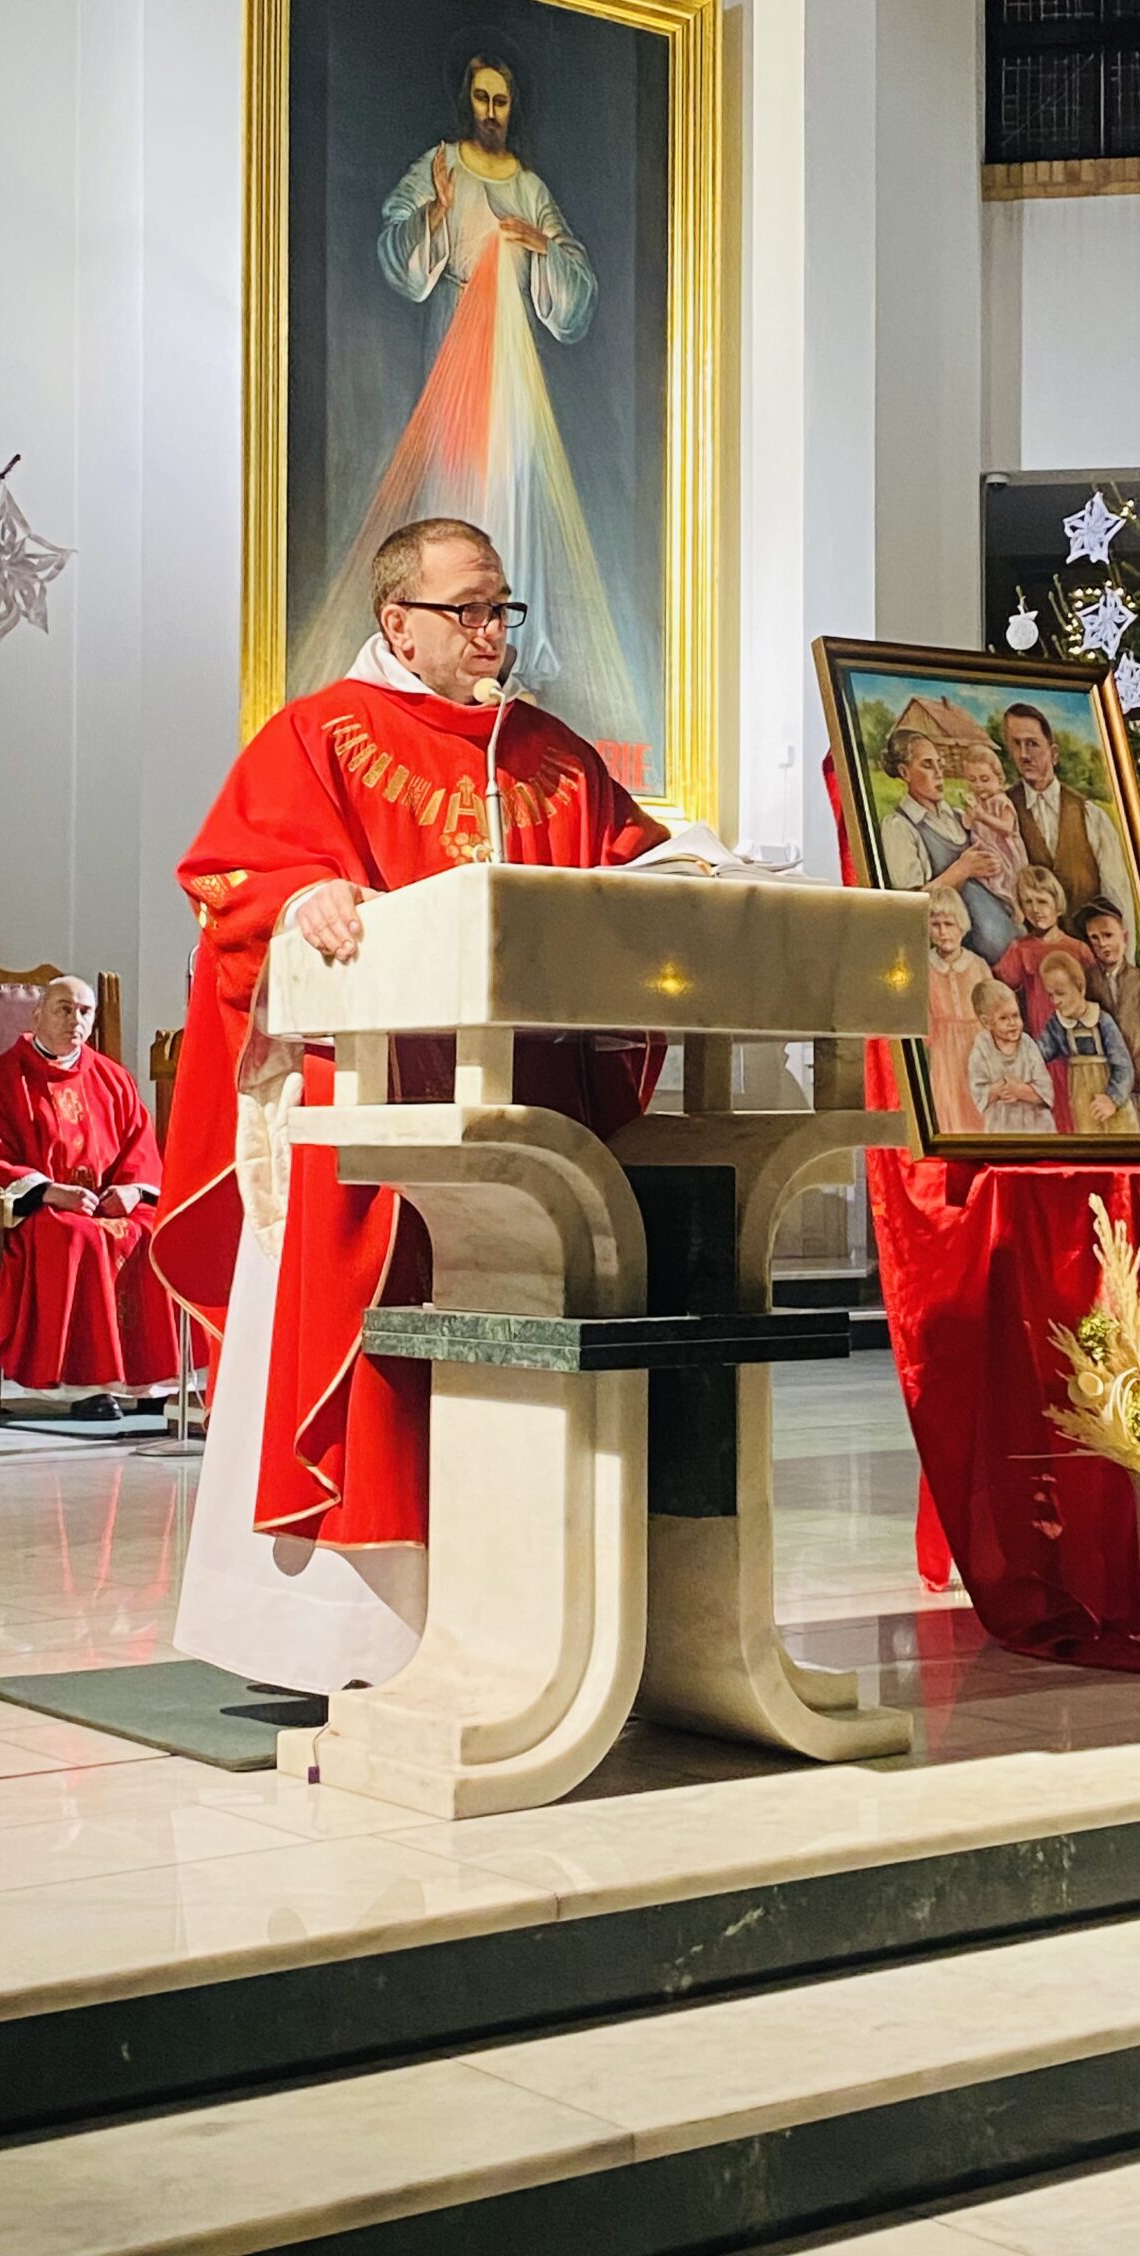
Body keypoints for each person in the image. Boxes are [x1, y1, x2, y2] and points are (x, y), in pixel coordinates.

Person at [155, 513, 663, 1693]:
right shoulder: (318, 732)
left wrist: (683, 879)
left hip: (531, 1109)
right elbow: (234, 874)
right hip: (376, 1104)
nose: (492, 630)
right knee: (375, 1357)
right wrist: (303, 899)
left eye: (501, 608)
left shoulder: (551, 752)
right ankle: (342, 1638)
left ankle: (531, 1625)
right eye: (467, 608)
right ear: (400, 621)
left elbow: (632, 873)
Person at [294, 54, 639, 746]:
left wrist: (541, 246)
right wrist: (437, 211)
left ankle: (508, 659)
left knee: (513, 486)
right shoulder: (441, 164)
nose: (491, 112)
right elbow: (398, 249)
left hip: (513, 367)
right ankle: (441, 660)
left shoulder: (530, 187)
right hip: (457, 346)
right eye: (482, 98)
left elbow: (573, 283)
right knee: (454, 483)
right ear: (467, 100)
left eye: (501, 101)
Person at [0, 977, 177, 1420]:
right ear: (37, 1015)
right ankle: (85, 1387)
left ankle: (151, 1383)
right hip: (34, 1212)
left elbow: (140, 1152)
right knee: (77, 1238)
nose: (75, 1020)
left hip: (104, 1207)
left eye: (84, 1012)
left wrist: (131, 1190)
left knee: (153, 1234)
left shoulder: (113, 1079)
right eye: (63, 1009)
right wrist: (50, 1191)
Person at [877, 728, 1020, 965]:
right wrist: (962, 870)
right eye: (927, 765)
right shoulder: (899, 826)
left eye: (939, 764)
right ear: (904, 772)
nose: (939, 773)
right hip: (962, 957)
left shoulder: (956, 815)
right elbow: (909, 907)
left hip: (1006, 936)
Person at [1000, 702, 1136, 925]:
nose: (1024, 755)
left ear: (1053, 753)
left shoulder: (1089, 815)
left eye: (1032, 744)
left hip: (1086, 943)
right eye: (1016, 744)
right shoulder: (1001, 810)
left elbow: (1117, 895)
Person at [1080, 894, 1140, 1134]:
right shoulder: (1088, 983)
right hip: (1108, 1087)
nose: (1102, 944)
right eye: (1094, 938)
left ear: (1124, 936)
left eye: (1108, 935)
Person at [1037, 950, 1138, 1135]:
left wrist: (1112, 1098)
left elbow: (1124, 1066)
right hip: (1081, 1100)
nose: (1055, 1001)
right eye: (1050, 995)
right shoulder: (1056, 1025)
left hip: (1111, 1099)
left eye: (1060, 993)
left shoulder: (1102, 1020)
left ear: (1081, 989)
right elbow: (1039, 1053)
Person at [993, 865, 1093, 1039]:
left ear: (1057, 904)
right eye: (1028, 902)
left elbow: (1096, 995)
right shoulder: (1020, 949)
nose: (1036, 910)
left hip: (1079, 1035)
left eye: (1042, 901)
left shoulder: (1079, 949)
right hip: (1041, 1037)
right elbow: (998, 990)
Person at [924, 888, 989, 1137]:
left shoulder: (978, 965)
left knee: (977, 1106)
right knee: (948, 1104)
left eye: (949, 924)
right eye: (936, 925)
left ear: (961, 926)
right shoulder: (925, 968)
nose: (943, 932)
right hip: (943, 1050)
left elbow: (993, 1007)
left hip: (977, 1045)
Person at [966, 978, 1056, 1134]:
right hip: (1002, 1125)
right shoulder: (982, 1048)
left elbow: (1046, 1092)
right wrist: (998, 1090)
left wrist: (1019, 1091)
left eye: (1015, 1015)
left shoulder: (1027, 1045)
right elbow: (978, 1092)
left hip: (1035, 1124)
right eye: (1003, 1018)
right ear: (987, 1023)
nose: (1012, 1023)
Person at [953, 738, 1028, 913]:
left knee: (1010, 883)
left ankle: (1016, 907)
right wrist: (969, 815)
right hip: (987, 851)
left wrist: (983, 816)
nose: (978, 785)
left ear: (999, 780)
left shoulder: (1001, 802)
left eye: (984, 779)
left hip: (1006, 853)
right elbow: (967, 825)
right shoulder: (977, 802)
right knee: (990, 885)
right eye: (972, 780)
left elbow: (1007, 828)